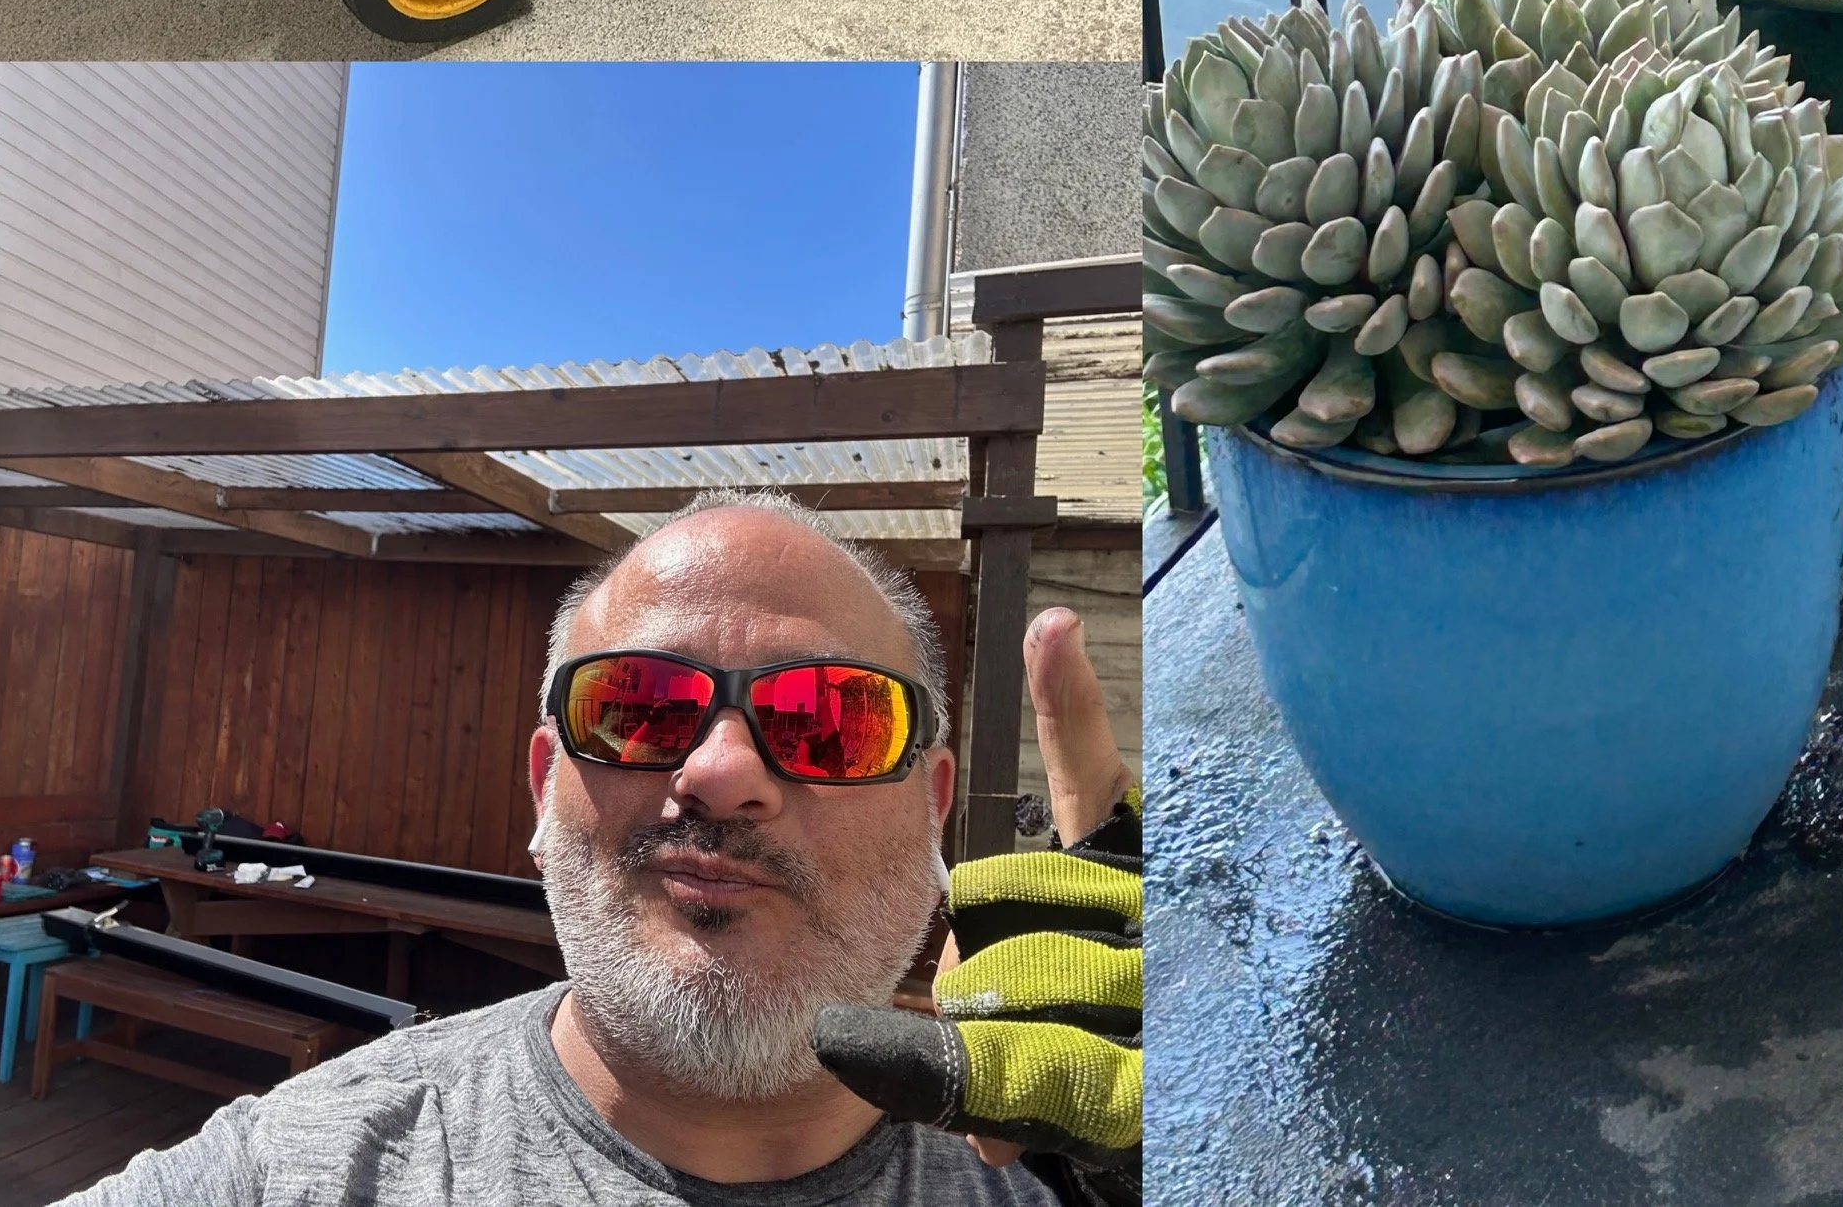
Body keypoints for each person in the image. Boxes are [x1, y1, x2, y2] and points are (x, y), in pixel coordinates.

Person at [63, 492, 1140, 1206]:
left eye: (829, 717)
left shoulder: (1065, 1176)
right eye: (638, 704)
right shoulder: (307, 1171)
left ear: (930, 807)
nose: (721, 771)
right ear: (544, 784)